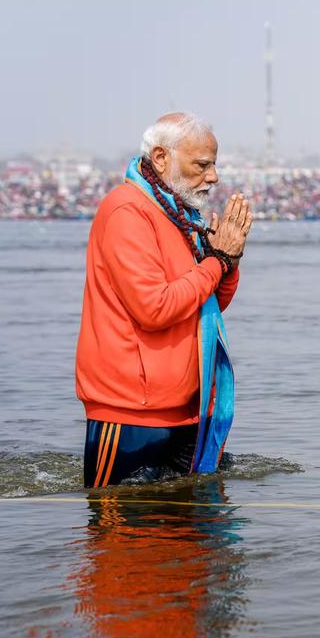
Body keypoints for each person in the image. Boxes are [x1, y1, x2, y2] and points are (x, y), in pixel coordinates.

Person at [75, 112, 252, 487]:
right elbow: (155, 308)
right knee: (123, 536)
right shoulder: (127, 210)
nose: (213, 176)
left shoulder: (176, 214)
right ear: (160, 158)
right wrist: (215, 262)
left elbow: (204, 303)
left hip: (188, 408)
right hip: (130, 413)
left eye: (214, 165)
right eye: (202, 165)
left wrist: (227, 263)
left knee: (189, 541)